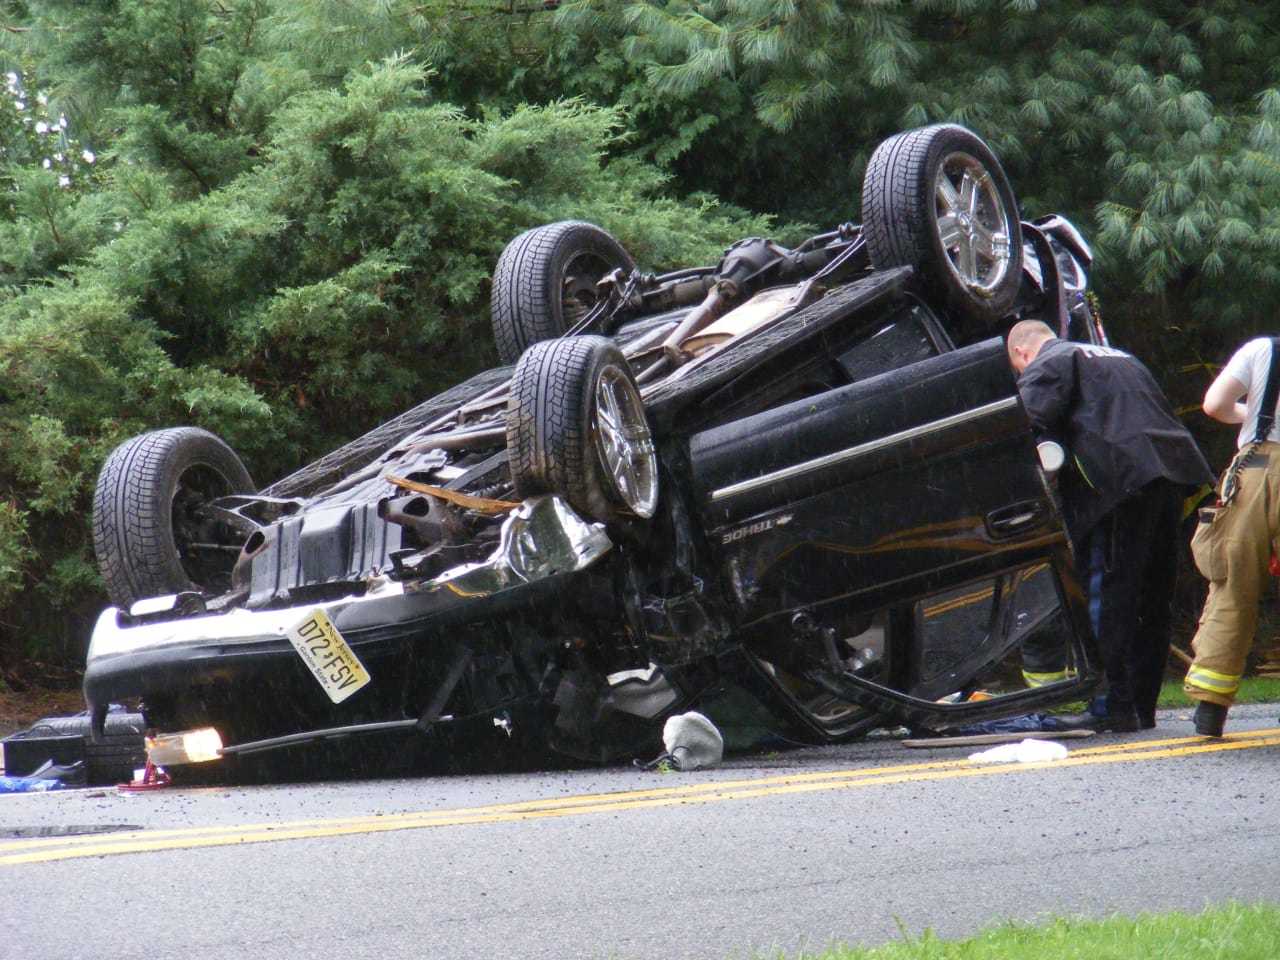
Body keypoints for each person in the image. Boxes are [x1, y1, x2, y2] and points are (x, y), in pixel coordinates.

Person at [1006, 320, 1214, 732]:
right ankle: (1141, 705)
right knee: (1152, 598)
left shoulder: (1050, 362)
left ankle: (1110, 706)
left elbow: (1025, 425)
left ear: (1021, 354)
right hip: (1168, 475)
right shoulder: (1119, 357)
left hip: (1118, 485)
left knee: (1108, 596)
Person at [1183, 336, 1280, 736]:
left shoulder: (1265, 350)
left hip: (1257, 474)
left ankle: (1210, 713)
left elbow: (1215, 405)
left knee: (1233, 588)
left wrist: (1258, 414)